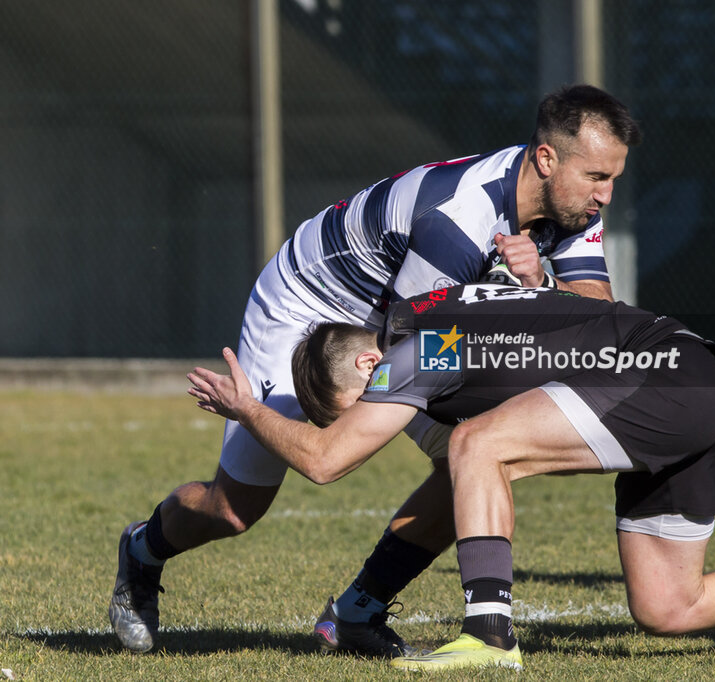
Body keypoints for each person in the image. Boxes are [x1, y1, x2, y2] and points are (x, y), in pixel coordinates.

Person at [108, 84, 642, 654]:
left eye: (612, 178)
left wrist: (542, 284)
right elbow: (415, 346)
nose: (606, 196)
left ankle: (357, 611)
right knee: (236, 509)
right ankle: (142, 551)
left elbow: (596, 315)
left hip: (396, 313)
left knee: (478, 449)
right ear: (546, 159)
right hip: (307, 305)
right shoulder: (459, 222)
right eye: (596, 178)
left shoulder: (570, 203)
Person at [187, 282, 715, 671]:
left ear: (367, 369)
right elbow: (455, 488)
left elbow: (326, 461)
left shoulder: (411, 347)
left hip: (663, 378)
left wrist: (246, 409)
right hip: (690, 386)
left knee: (476, 443)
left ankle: (488, 634)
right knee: (667, 606)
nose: (372, 418)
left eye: (361, 409)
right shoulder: (436, 320)